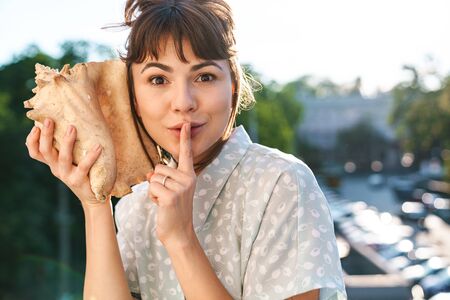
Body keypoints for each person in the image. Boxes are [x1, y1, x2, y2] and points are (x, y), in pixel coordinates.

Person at [25, 0, 347, 299]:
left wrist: (182, 240)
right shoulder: (136, 206)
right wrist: (95, 204)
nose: (183, 102)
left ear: (232, 84)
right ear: (133, 98)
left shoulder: (282, 183)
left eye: (205, 76)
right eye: (158, 80)